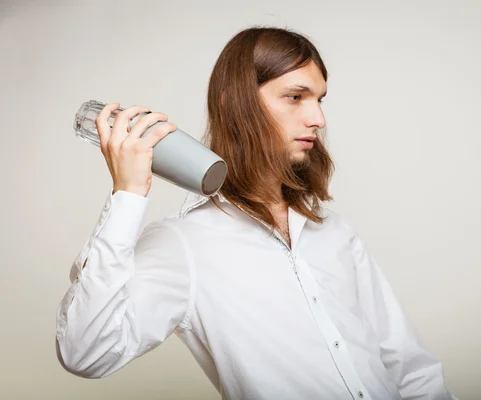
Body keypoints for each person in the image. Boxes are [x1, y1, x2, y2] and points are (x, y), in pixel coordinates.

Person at [56, 26, 456, 400]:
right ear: (236, 102)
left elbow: (407, 363)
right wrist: (128, 194)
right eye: (296, 96)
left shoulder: (333, 232)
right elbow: (87, 352)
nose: (318, 119)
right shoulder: (184, 246)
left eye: (319, 99)